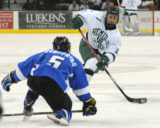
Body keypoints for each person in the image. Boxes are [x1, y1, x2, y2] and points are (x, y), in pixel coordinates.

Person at [1, 37, 97, 126]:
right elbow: (80, 86)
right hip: (52, 85)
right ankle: (61, 114)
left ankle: (29, 101)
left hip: (33, 80)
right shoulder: (74, 60)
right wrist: (88, 102)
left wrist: (11, 77)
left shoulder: (45, 53)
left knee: (38, 84)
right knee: (67, 104)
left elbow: (26, 66)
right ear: (68, 47)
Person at [71, 7, 121, 83]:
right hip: (86, 45)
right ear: (107, 16)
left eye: (114, 18)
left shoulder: (116, 35)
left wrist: (106, 59)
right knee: (92, 64)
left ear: (117, 20)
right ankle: (81, 88)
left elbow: (113, 52)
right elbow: (84, 13)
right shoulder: (96, 16)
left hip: (99, 54)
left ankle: (74, 75)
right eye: (110, 17)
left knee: (94, 68)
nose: (112, 20)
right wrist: (79, 19)